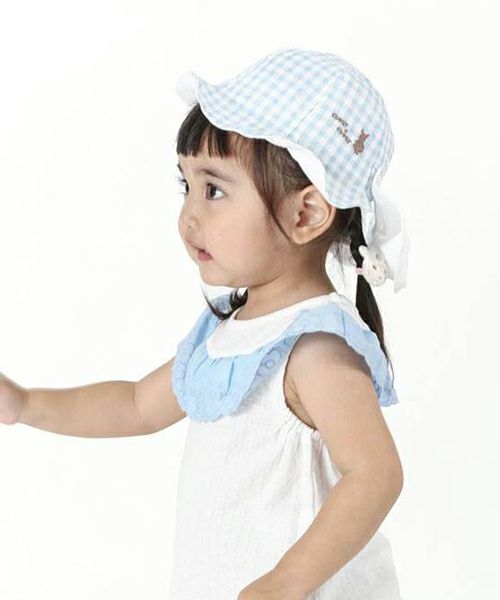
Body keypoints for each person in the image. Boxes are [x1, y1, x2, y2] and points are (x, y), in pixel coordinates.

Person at [0, 47, 409, 599]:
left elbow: (375, 474)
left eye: (214, 190)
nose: (188, 215)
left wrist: (285, 582)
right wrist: (26, 405)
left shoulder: (315, 348)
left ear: (306, 213)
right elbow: (136, 405)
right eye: (186, 186)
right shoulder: (229, 333)